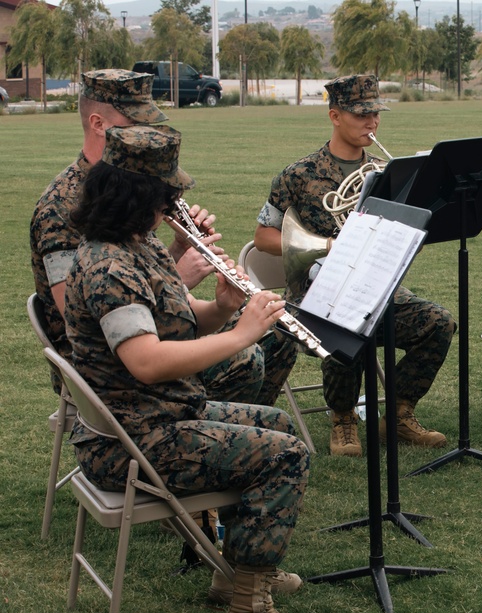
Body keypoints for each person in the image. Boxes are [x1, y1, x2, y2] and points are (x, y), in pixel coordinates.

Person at [64, 124, 324, 613]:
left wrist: (225, 307)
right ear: (141, 198)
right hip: (130, 442)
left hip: (156, 417)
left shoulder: (139, 245)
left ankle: (237, 576)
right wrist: (241, 334)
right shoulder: (110, 267)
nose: (177, 206)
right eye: (169, 197)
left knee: (275, 425)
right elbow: (148, 361)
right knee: (286, 456)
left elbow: (178, 325)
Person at [29, 69, 295, 406]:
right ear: (98, 124)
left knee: (276, 334)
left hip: (159, 327)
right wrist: (181, 276)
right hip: (109, 364)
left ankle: (232, 436)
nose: (147, 135)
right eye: (134, 125)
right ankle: (191, 443)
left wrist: (179, 248)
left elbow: (136, 275)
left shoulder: (139, 187)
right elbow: (80, 306)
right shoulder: (61, 206)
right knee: (242, 360)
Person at [255, 74, 455, 456]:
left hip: (373, 286)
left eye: (376, 114)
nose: (372, 122)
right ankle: (343, 418)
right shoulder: (299, 174)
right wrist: (331, 245)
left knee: (438, 323)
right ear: (334, 115)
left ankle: (397, 413)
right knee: (347, 320)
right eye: (362, 115)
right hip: (313, 293)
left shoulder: (385, 173)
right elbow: (264, 236)